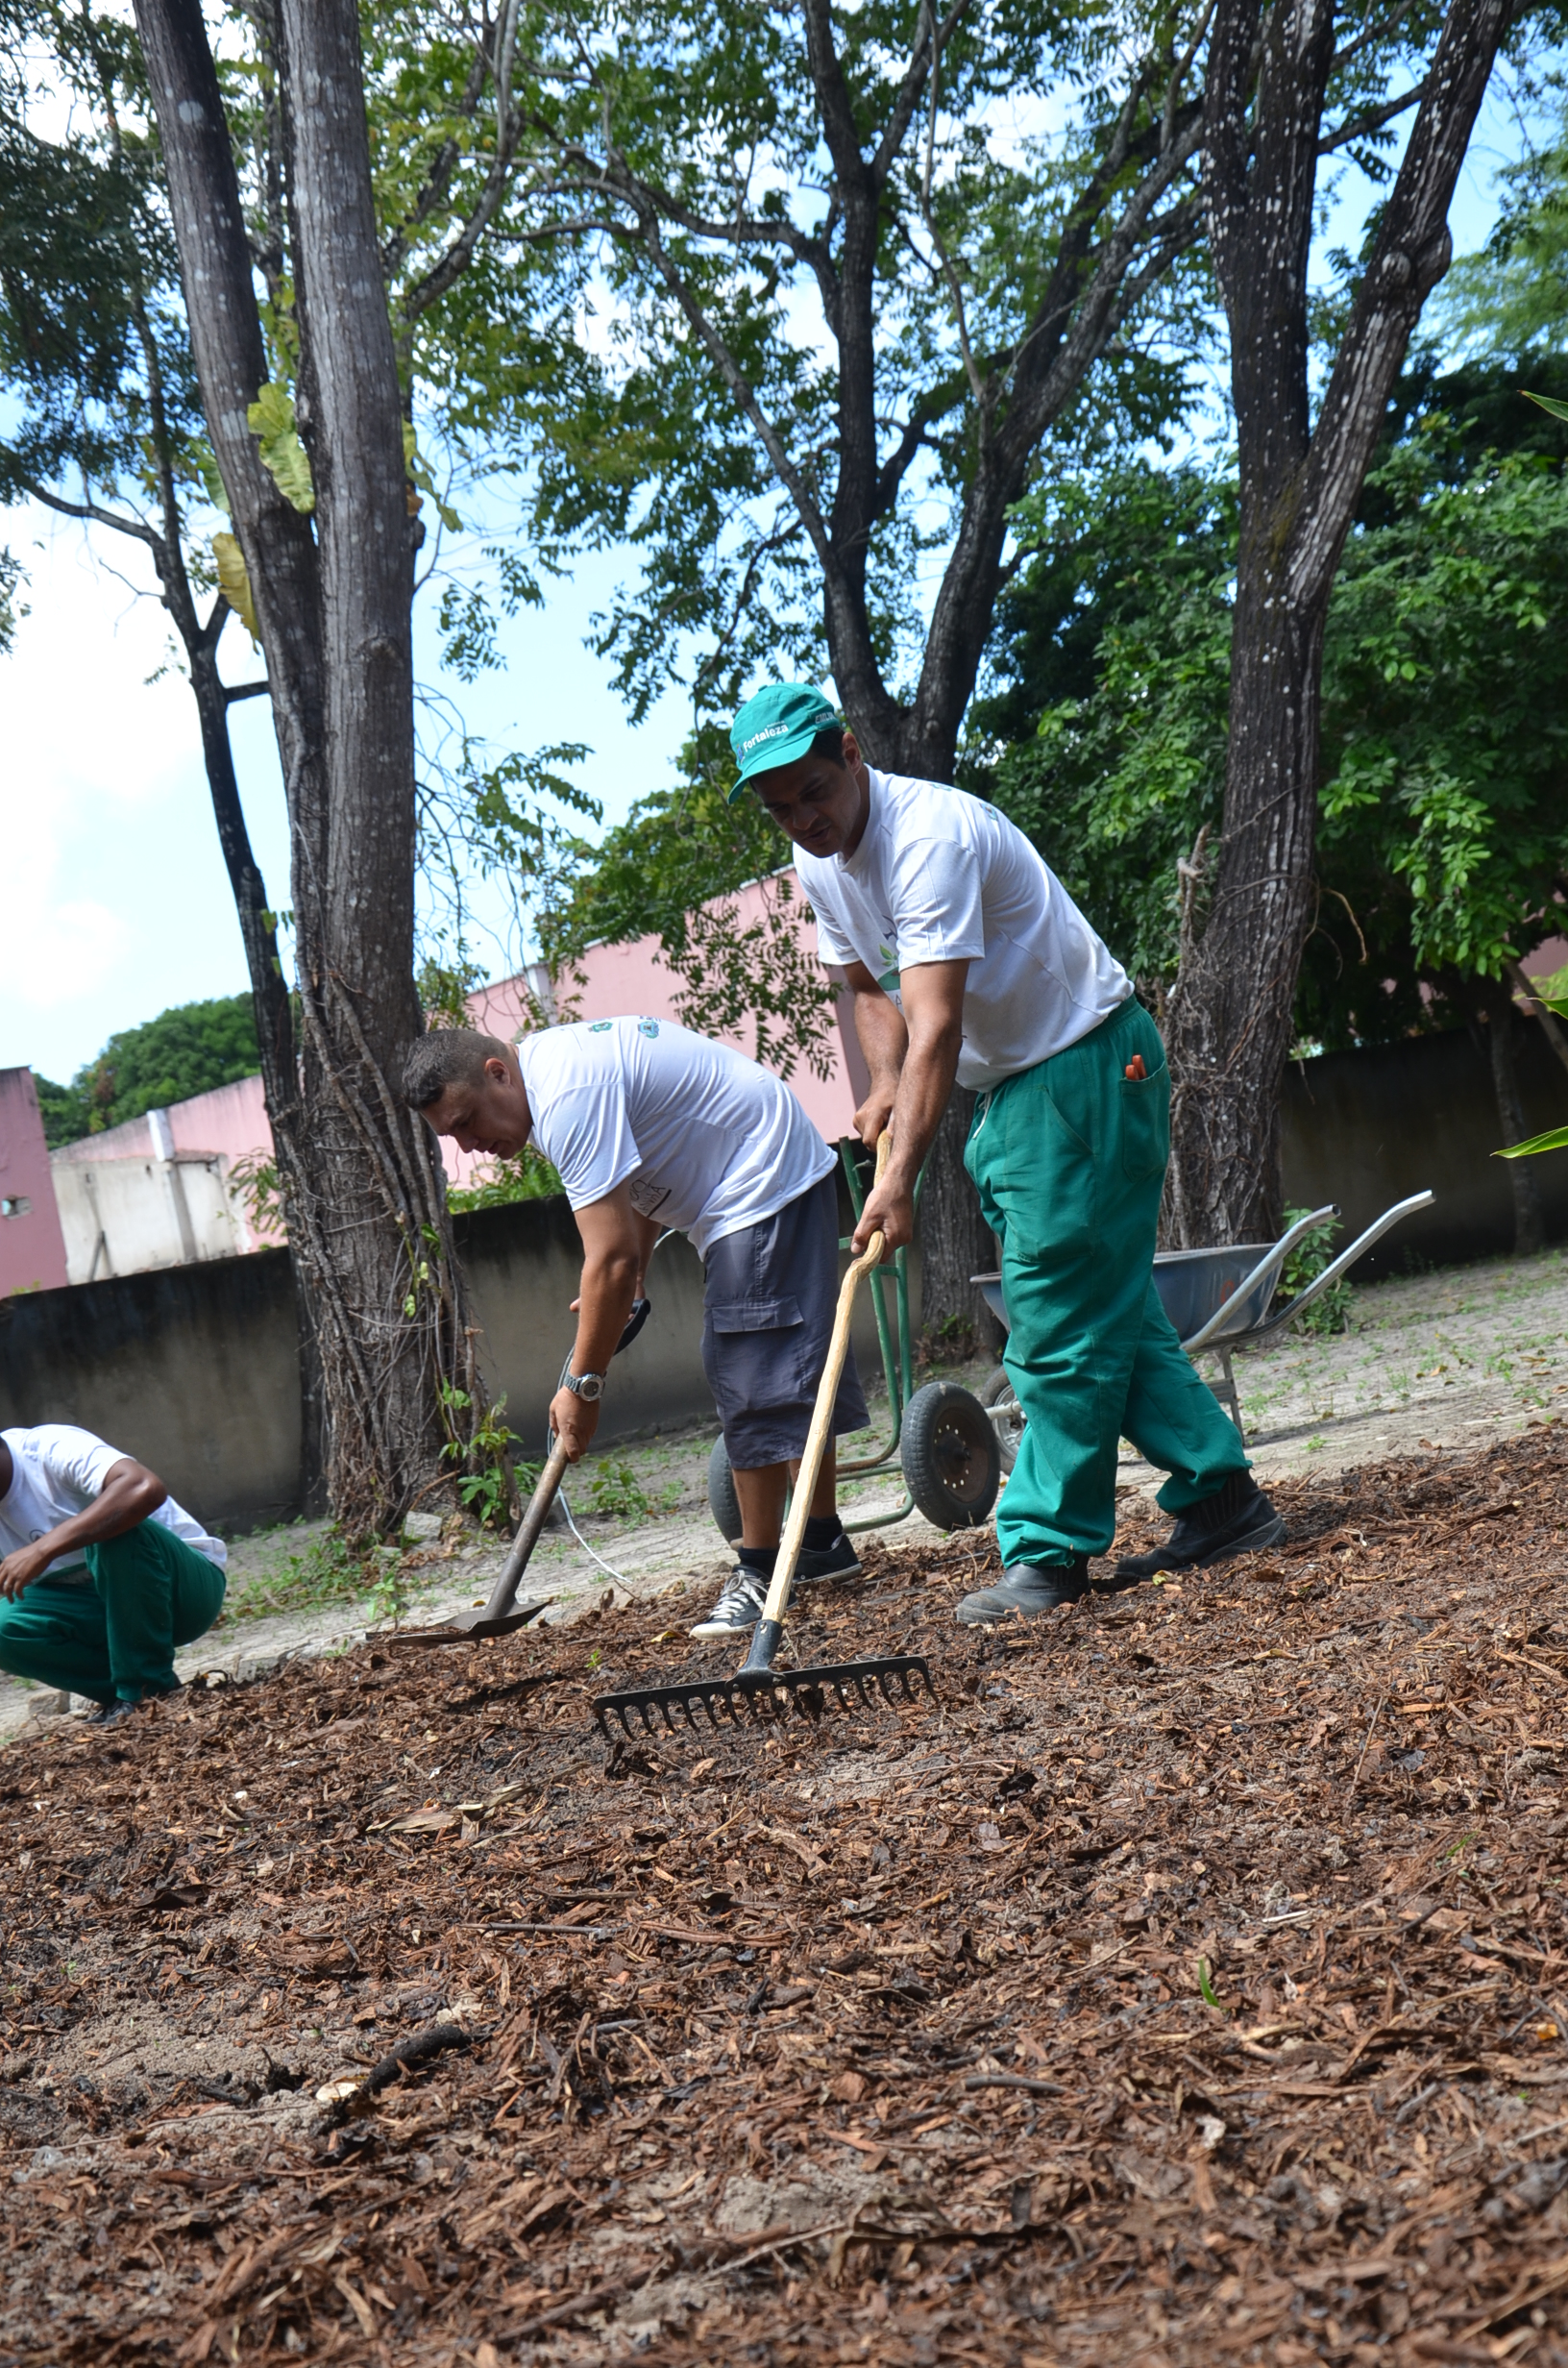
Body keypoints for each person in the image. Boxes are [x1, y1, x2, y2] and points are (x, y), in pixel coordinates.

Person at [726, 681, 1286, 1619]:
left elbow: (935, 1025)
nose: (804, 819)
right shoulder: (819, 862)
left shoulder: (929, 842)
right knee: (1105, 1312)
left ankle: (1050, 1552)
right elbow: (870, 991)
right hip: (1026, 1086)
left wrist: (898, 1177)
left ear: (853, 754)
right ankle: (1222, 1499)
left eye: (814, 790)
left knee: (1057, 1318)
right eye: (781, 807)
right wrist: (875, 1084)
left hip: (1081, 1068)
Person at [403, 1017, 867, 1638]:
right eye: (449, 1136)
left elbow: (609, 1259)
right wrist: (636, 1275)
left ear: (496, 1073)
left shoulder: (565, 1096)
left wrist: (583, 1386)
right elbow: (638, 1184)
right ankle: (820, 1543)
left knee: (746, 1363)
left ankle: (760, 1573)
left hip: (760, 1172)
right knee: (778, 1359)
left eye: (465, 1123)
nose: (466, 1146)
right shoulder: (544, 1086)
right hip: (763, 1167)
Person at [0, 1426, 228, 1720]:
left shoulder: (47, 1448)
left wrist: (43, 1549)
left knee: (115, 1532)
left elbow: (143, 1487)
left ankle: (145, 1684)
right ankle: (139, 1696)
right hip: (102, 1609)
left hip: (184, 1591)